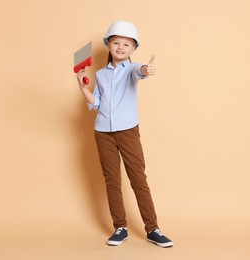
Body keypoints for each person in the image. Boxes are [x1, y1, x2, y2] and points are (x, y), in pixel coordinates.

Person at [76, 20, 173, 248]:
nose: (120, 47)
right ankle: (120, 227)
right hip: (102, 132)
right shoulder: (100, 74)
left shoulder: (131, 69)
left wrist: (146, 70)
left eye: (126, 44)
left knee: (138, 179)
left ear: (133, 49)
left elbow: (140, 72)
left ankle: (153, 229)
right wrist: (82, 88)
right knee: (112, 181)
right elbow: (96, 104)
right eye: (116, 42)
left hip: (127, 131)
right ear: (108, 45)